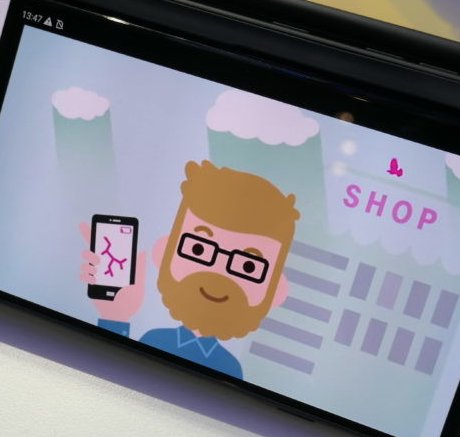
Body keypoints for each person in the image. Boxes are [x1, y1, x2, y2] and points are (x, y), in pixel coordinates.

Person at [79, 160, 299, 379]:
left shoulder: (231, 369)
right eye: (198, 248)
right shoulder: (153, 339)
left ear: (276, 291)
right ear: (164, 251)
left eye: (248, 266)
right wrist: (115, 315)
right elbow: (118, 378)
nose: (216, 276)